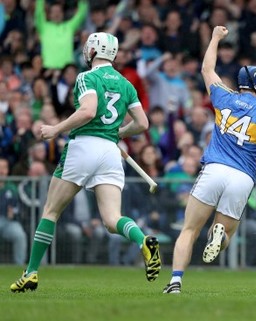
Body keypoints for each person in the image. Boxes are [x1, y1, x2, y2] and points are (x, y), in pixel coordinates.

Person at [10, 32, 161, 293]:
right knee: (113, 220)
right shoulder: (126, 83)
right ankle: (142, 240)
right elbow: (142, 124)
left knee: (51, 211)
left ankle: (31, 272)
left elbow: (88, 110)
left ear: (92, 50)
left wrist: (56, 128)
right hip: (110, 153)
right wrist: (118, 133)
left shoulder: (86, 77)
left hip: (84, 146)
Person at [163, 26, 256, 294]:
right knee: (226, 235)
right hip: (242, 178)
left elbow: (207, 69)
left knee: (189, 230)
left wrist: (215, 38)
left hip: (214, 169)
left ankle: (175, 282)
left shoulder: (223, 96)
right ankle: (219, 232)